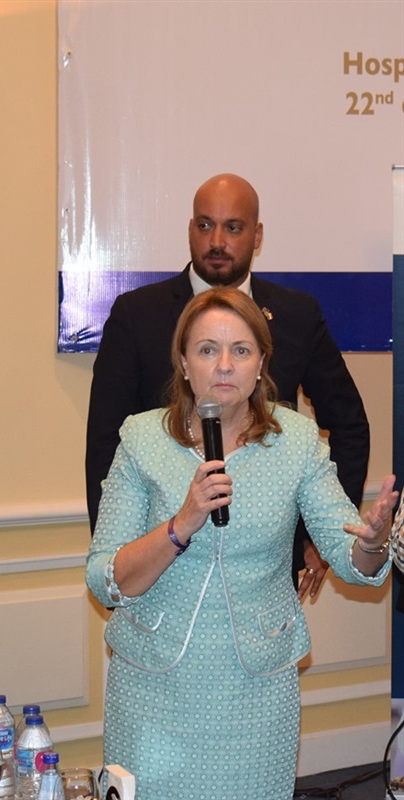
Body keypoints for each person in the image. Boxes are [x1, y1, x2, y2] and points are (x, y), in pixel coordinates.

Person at [86, 288, 396, 800]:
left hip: (256, 689)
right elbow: (105, 579)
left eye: (242, 350)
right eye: (208, 349)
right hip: (153, 686)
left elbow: (350, 557)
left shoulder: (296, 441)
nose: (225, 365)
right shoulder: (142, 439)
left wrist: (375, 541)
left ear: (261, 365)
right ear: (183, 364)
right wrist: (180, 524)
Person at [85, 173, 370, 598]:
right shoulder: (136, 315)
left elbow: (349, 425)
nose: (216, 241)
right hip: (161, 570)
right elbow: (104, 445)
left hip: (264, 577)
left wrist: (321, 538)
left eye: (233, 227)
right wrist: (120, 575)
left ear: (257, 236)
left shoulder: (297, 314)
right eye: (205, 225)